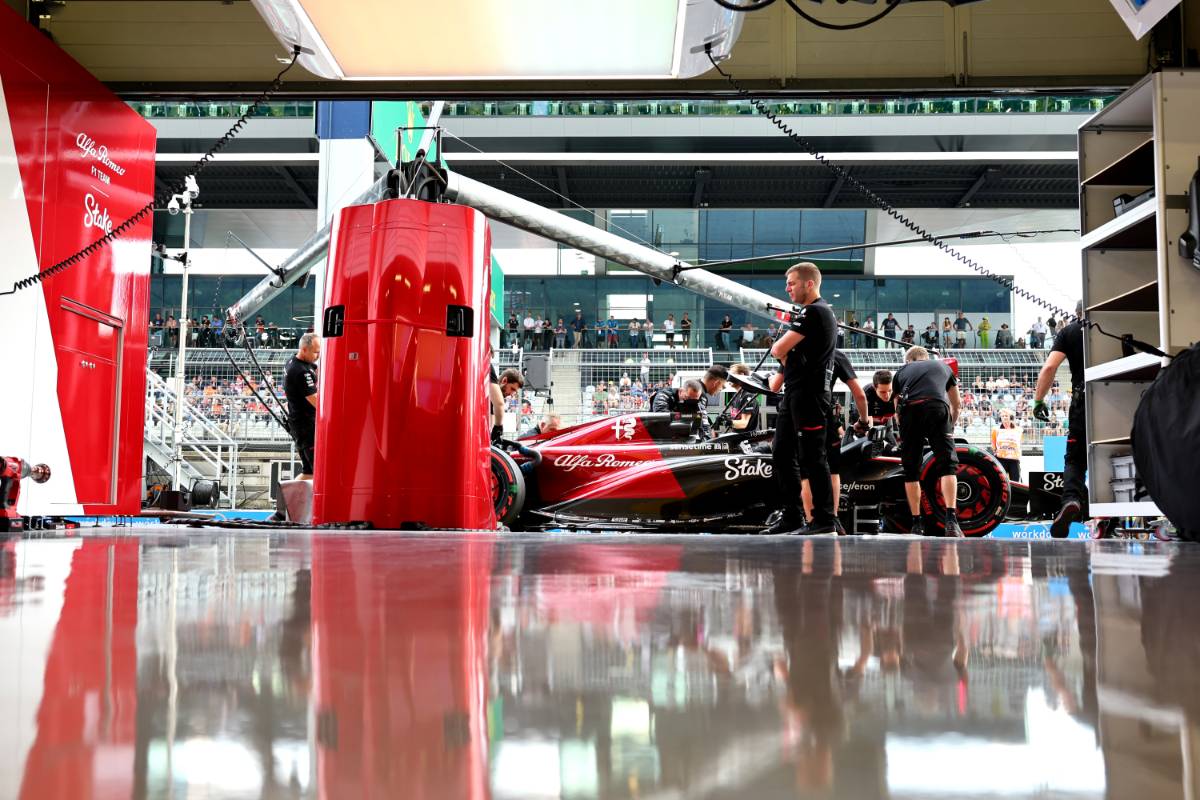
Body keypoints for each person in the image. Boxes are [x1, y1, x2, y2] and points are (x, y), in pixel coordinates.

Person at [764, 262, 839, 535]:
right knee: (782, 452)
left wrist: (783, 352)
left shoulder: (814, 311)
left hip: (810, 395)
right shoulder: (810, 314)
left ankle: (824, 519)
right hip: (795, 393)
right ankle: (792, 515)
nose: (787, 288)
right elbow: (783, 354)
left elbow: (778, 349)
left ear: (809, 283)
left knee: (812, 457)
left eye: (792, 283)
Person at [892, 346, 962, 537]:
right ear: (926, 357)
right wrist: (949, 426)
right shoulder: (942, 367)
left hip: (909, 410)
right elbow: (956, 404)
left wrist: (905, 428)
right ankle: (951, 522)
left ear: (909, 361)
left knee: (911, 470)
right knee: (947, 465)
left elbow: (897, 408)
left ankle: (916, 523)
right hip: (937, 407)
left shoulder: (901, 371)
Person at [1033, 301, 1086, 538]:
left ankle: (1071, 500)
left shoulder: (1070, 331)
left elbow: (1049, 367)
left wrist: (1038, 401)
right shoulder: (1113, 326)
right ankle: (1113, 514)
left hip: (1083, 398)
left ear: (1076, 313)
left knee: (1075, 458)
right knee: (1117, 453)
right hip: (1119, 394)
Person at [801, 349, 868, 523]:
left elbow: (775, 386)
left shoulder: (795, 351)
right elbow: (860, 395)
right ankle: (833, 519)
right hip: (825, 412)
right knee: (833, 469)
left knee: (806, 473)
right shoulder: (836, 355)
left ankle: (811, 521)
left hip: (799, 413)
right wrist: (864, 421)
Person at [283, 333, 321, 480]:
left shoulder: (294, 361)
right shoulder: (301, 372)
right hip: (306, 427)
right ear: (304, 349)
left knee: (309, 472)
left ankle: (288, 502)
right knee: (318, 472)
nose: (318, 355)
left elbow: (314, 367)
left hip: (298, 424)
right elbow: (317, 402)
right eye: (316, 352)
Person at [489, 365, 524, 444]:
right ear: (504, 380)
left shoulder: (493, 400)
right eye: (512, 389)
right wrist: (498, 428)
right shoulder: (493, 394)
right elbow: (500, 403)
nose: (512, 394)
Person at [724, 363, 761, 432]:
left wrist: (728, 422)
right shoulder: (736, 395)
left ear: (741, 375)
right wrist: (725, 419)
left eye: (732, 374)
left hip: (747, 440)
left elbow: (743, 423)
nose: (729, 378)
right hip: (736, 438)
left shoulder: (748, 395)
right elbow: (735, 418)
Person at [991, 409, 1023, 482]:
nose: (1004, 417)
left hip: (1014, 460)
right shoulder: (995, 430)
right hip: (1001, 459)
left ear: (1010, 417)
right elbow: (993, 443)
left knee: (1016, 482)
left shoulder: (1019, 430)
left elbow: (1019, 443)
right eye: (1002, 416)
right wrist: (995, 451)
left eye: (1006, 416)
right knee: (1001, 481)